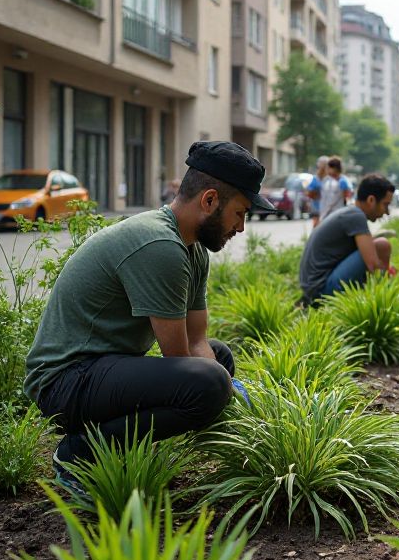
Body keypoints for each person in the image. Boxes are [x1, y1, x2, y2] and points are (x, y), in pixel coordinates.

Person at [25, 140, 273, 485]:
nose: (241, 227)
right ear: (210, 200)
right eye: (241, 213)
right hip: (64, 383)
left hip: (100, 371)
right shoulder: (160, 245)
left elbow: (197, 341)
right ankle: (79, 453)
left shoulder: (193, 249)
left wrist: (236, 398)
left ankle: (113, 438)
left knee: (219, 359)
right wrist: (226, 392)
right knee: (209, 383)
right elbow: (177, 358)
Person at [298, 174, 397, 305]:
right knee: (382, 245)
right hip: (322, 290)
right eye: (386, 205)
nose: (387, 212)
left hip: (313, 288)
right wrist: (389, 275)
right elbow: (373, 264)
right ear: (371, 200)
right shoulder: (356, 216)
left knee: (376, 245)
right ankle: (383, 299)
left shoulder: (349, 212)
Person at [318, 155, 353, 224]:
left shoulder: (342, 181)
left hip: (337, 215)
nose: (327, 170)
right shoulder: (330, 181)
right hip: (328, 214)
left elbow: (347, 199)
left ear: (334, 168)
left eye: (328, 168)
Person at [307, 156, 328, 228]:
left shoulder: (331, 178)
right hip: (317, 208)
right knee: (317, 226)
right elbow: (309, 193)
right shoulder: (316, 179)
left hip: (328, 208)